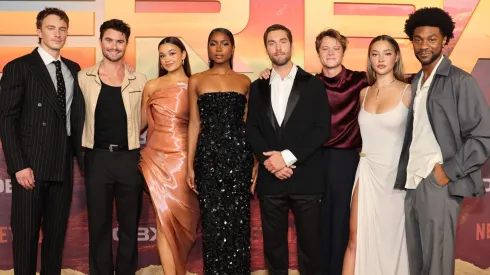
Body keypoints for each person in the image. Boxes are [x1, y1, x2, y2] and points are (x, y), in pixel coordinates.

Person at [258, 29, 368, 275]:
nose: (330, 53)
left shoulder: (360, 80)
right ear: (317, 52)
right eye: (325, 48)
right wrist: (268, 75)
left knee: (340, 220)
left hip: (342, 159)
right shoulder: (308, 82)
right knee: (316, 227)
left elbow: (390, 80)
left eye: (336, 48)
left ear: (343, 51)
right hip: (309, 160)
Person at [396, 7, 490, 275]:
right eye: (418, 39)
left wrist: (446, 172)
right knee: (417, 264)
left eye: (432, 39)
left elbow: (484, 135)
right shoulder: (416, 82)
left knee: (436, 265)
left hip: (436, 183)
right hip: (412, 183)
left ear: (445, 41)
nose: (424, 45)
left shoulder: (460, 81)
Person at [0, 7, 85, 275]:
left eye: (62, 29)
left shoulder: (73, 69)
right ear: (39, 32)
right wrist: (19, 165)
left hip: (62, 166)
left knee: (55, 240)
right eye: (51, 28)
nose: (57, 34)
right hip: (30, 169)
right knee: (25, 238)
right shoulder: (19, 67)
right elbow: (6, 119)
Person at [246, 24, 331, 275]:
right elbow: (251, 129)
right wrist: (270, 162)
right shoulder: (257, 86)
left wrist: (286, 157)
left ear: (292, 45)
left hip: (306, 177)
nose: (278, 47)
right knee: (273, 247)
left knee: (311, 247)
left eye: (283, 41)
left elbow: (321, 129)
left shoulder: (313, 84)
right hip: (271, 180)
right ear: (266, 48)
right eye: (271, 43)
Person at [78, 19, 147, 275]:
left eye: (120, 41)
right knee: (99, 225)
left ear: (126, 44)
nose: (114, 46)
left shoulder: (140, 79)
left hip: (129, 159)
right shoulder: (83, 77)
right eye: (109, 40)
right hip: (97, 158)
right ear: (101, 41)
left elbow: (146, 116)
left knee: (130, 226)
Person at [186, 28, 257, 274]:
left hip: (239, 159)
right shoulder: (195, 80)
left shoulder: (245, 82)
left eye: (224, 43)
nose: (218, 49)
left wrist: (255, 162)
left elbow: (249, 126)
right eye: (213, 43)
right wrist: (189, 165)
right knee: (213, 226)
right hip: (207, 159)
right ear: (207, 48)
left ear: (233, 49)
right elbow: (194, 123)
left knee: (238, 225)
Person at [342, 35, 410, 275]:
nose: (381, 59)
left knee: (393, 243)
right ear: (369, 59)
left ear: (396, 57)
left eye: (387, 53)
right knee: (355, 240)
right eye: (375, 54)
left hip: (396, 179)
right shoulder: (363, 93)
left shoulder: (409, 91)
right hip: (367, 173)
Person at [139, 37, 200, 275]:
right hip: (156, 161)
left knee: (186, 225)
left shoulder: (197, 83)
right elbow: (140, 125)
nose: (167, 59)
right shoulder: (152, 86)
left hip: (186, 161)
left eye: (172, 53)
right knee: (162, 223)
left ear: (184, 55)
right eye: (162, 55)